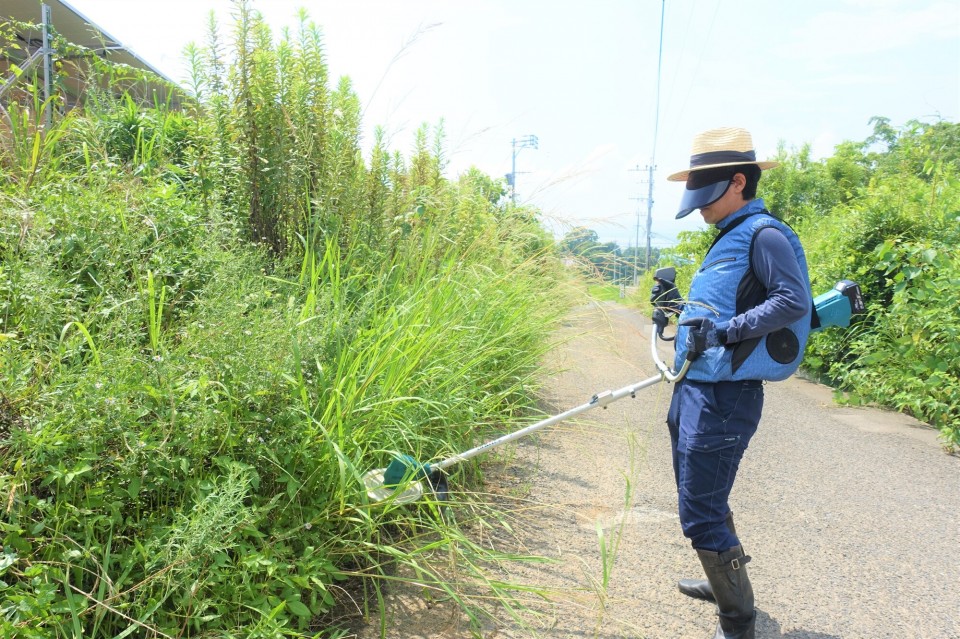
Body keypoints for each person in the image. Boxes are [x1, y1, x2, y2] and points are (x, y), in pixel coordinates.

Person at [653, 127, 813, 639]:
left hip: (726, 395)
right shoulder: (729, 237)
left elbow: (792, 301)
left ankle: (737, 618)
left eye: (705, 194)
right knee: (700, 496)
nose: (698, 207)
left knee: (699, 511)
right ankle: (722, 582)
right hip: (695, 387)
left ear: (738, 181)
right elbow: (721, 307)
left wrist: (723, 332)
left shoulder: (764, 234)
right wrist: (674, 311)